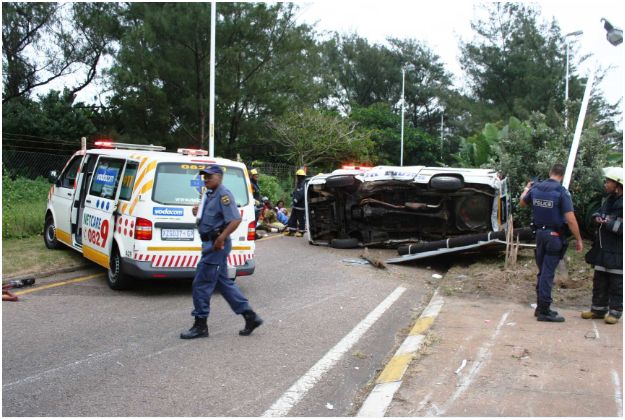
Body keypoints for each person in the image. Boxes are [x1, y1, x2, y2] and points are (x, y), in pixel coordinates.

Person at [181, 164, 263, 339]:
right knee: (224, 284)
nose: (206, 179)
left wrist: (220, 238)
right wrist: (198, 211)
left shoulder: (224, 195)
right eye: (204, 176)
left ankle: (200, 325)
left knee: (201, 284)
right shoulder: (209, 194)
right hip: (211, 244)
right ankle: (250, 316)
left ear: (219, 177)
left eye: (210, 176)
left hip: (216, 246)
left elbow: (235, 219)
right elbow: (210, 216)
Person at [520, 163, 583, 322]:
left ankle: (540, 308)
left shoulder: (536, 188)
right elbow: (570, 219)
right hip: (554, 236)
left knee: (542, 272)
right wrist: (578, 239)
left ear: (550, 172)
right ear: (561, 176)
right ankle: (544, 311)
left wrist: (527, 188)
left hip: (539, 235)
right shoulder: (561, 192)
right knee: (548, 273)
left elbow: (522, 202)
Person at [581, 167, 623, 324]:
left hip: (618, 251)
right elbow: (597, 213)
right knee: (599, 280)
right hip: (603, 247)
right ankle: (598, 310)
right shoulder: (609, 200)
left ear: (617, 184)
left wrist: (608, 223)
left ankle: (615, 312)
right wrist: (597, 217)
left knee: (617, 283)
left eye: (608, 181)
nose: (605, 184)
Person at [284, 169, 307, 237]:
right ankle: (292, 231)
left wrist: (295, 200)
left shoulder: (303, 184)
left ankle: (301, 232)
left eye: (298, 176)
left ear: (300, 176)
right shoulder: (299, 183)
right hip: (296, 206)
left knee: (301, 219)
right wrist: (293, 194)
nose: (297, 177)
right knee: (293, 218)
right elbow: (297, 191)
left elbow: (301, 194)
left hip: (300, 206)